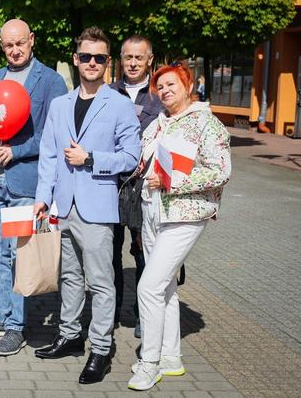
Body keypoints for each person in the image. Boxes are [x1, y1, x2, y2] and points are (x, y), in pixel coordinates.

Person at [33, 27, 141, 384]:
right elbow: (48, 154)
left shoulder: (120, 104)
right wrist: (43, 198)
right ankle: (69, 335)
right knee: (69, 276)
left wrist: (91, 158)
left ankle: (100, 348)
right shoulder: (60, 104)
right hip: (63, 206)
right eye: (85, 56)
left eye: (99, 58)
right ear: (75, 59)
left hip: (97, 207)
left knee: (100, 282)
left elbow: (131, 156)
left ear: (107, 62)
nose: (91, 63)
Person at [0, 19, 67, 356]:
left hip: (24, 181)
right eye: (8, 45)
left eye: (20, 42)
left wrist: (17, 150)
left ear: (32, 40)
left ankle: (14, 327)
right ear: (2, 45)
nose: (15, 50)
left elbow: (55, 135)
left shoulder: (51, 81)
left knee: (19, 256)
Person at [127, 63, 230, 390]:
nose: (166, 90)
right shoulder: (158, 123)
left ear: (188, 86)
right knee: (166, 287)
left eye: (172, 84)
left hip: (185, 214)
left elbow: (221, 171)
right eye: (161, 86)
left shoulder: (206, 123)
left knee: (148, 286)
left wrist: (173, 182)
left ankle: (150, 362)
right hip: (153, 210)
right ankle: (171, 357)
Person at [110, 35, 163, 337]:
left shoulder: (159, 96)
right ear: (121, 58)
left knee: (145, 254)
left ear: (149, 60)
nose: (132, 63)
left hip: (145, 189)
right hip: (112, 187)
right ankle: (113, 310)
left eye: (138, 58)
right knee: (110, 253)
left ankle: (144, 313)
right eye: (128, 57)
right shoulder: (108, 93)